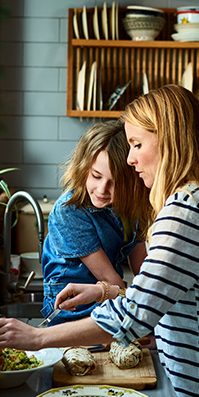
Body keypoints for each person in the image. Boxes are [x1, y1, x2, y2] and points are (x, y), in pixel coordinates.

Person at [0, 85, 199, 397]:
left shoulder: (185, 211)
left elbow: (133, 318)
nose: (130, 159)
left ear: (170, 141)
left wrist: (36, 339)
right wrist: (104, 292)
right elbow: (163, 294)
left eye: (137, 144)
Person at [40, 120, 151, 324]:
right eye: (96, 176)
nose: (101, 190)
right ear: (83, 168)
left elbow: (145, 274)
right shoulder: (69, 211)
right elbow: (112, 281)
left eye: (114, 183)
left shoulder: (132, 208)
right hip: (69, 310)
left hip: (109, 300)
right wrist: (142, 301)